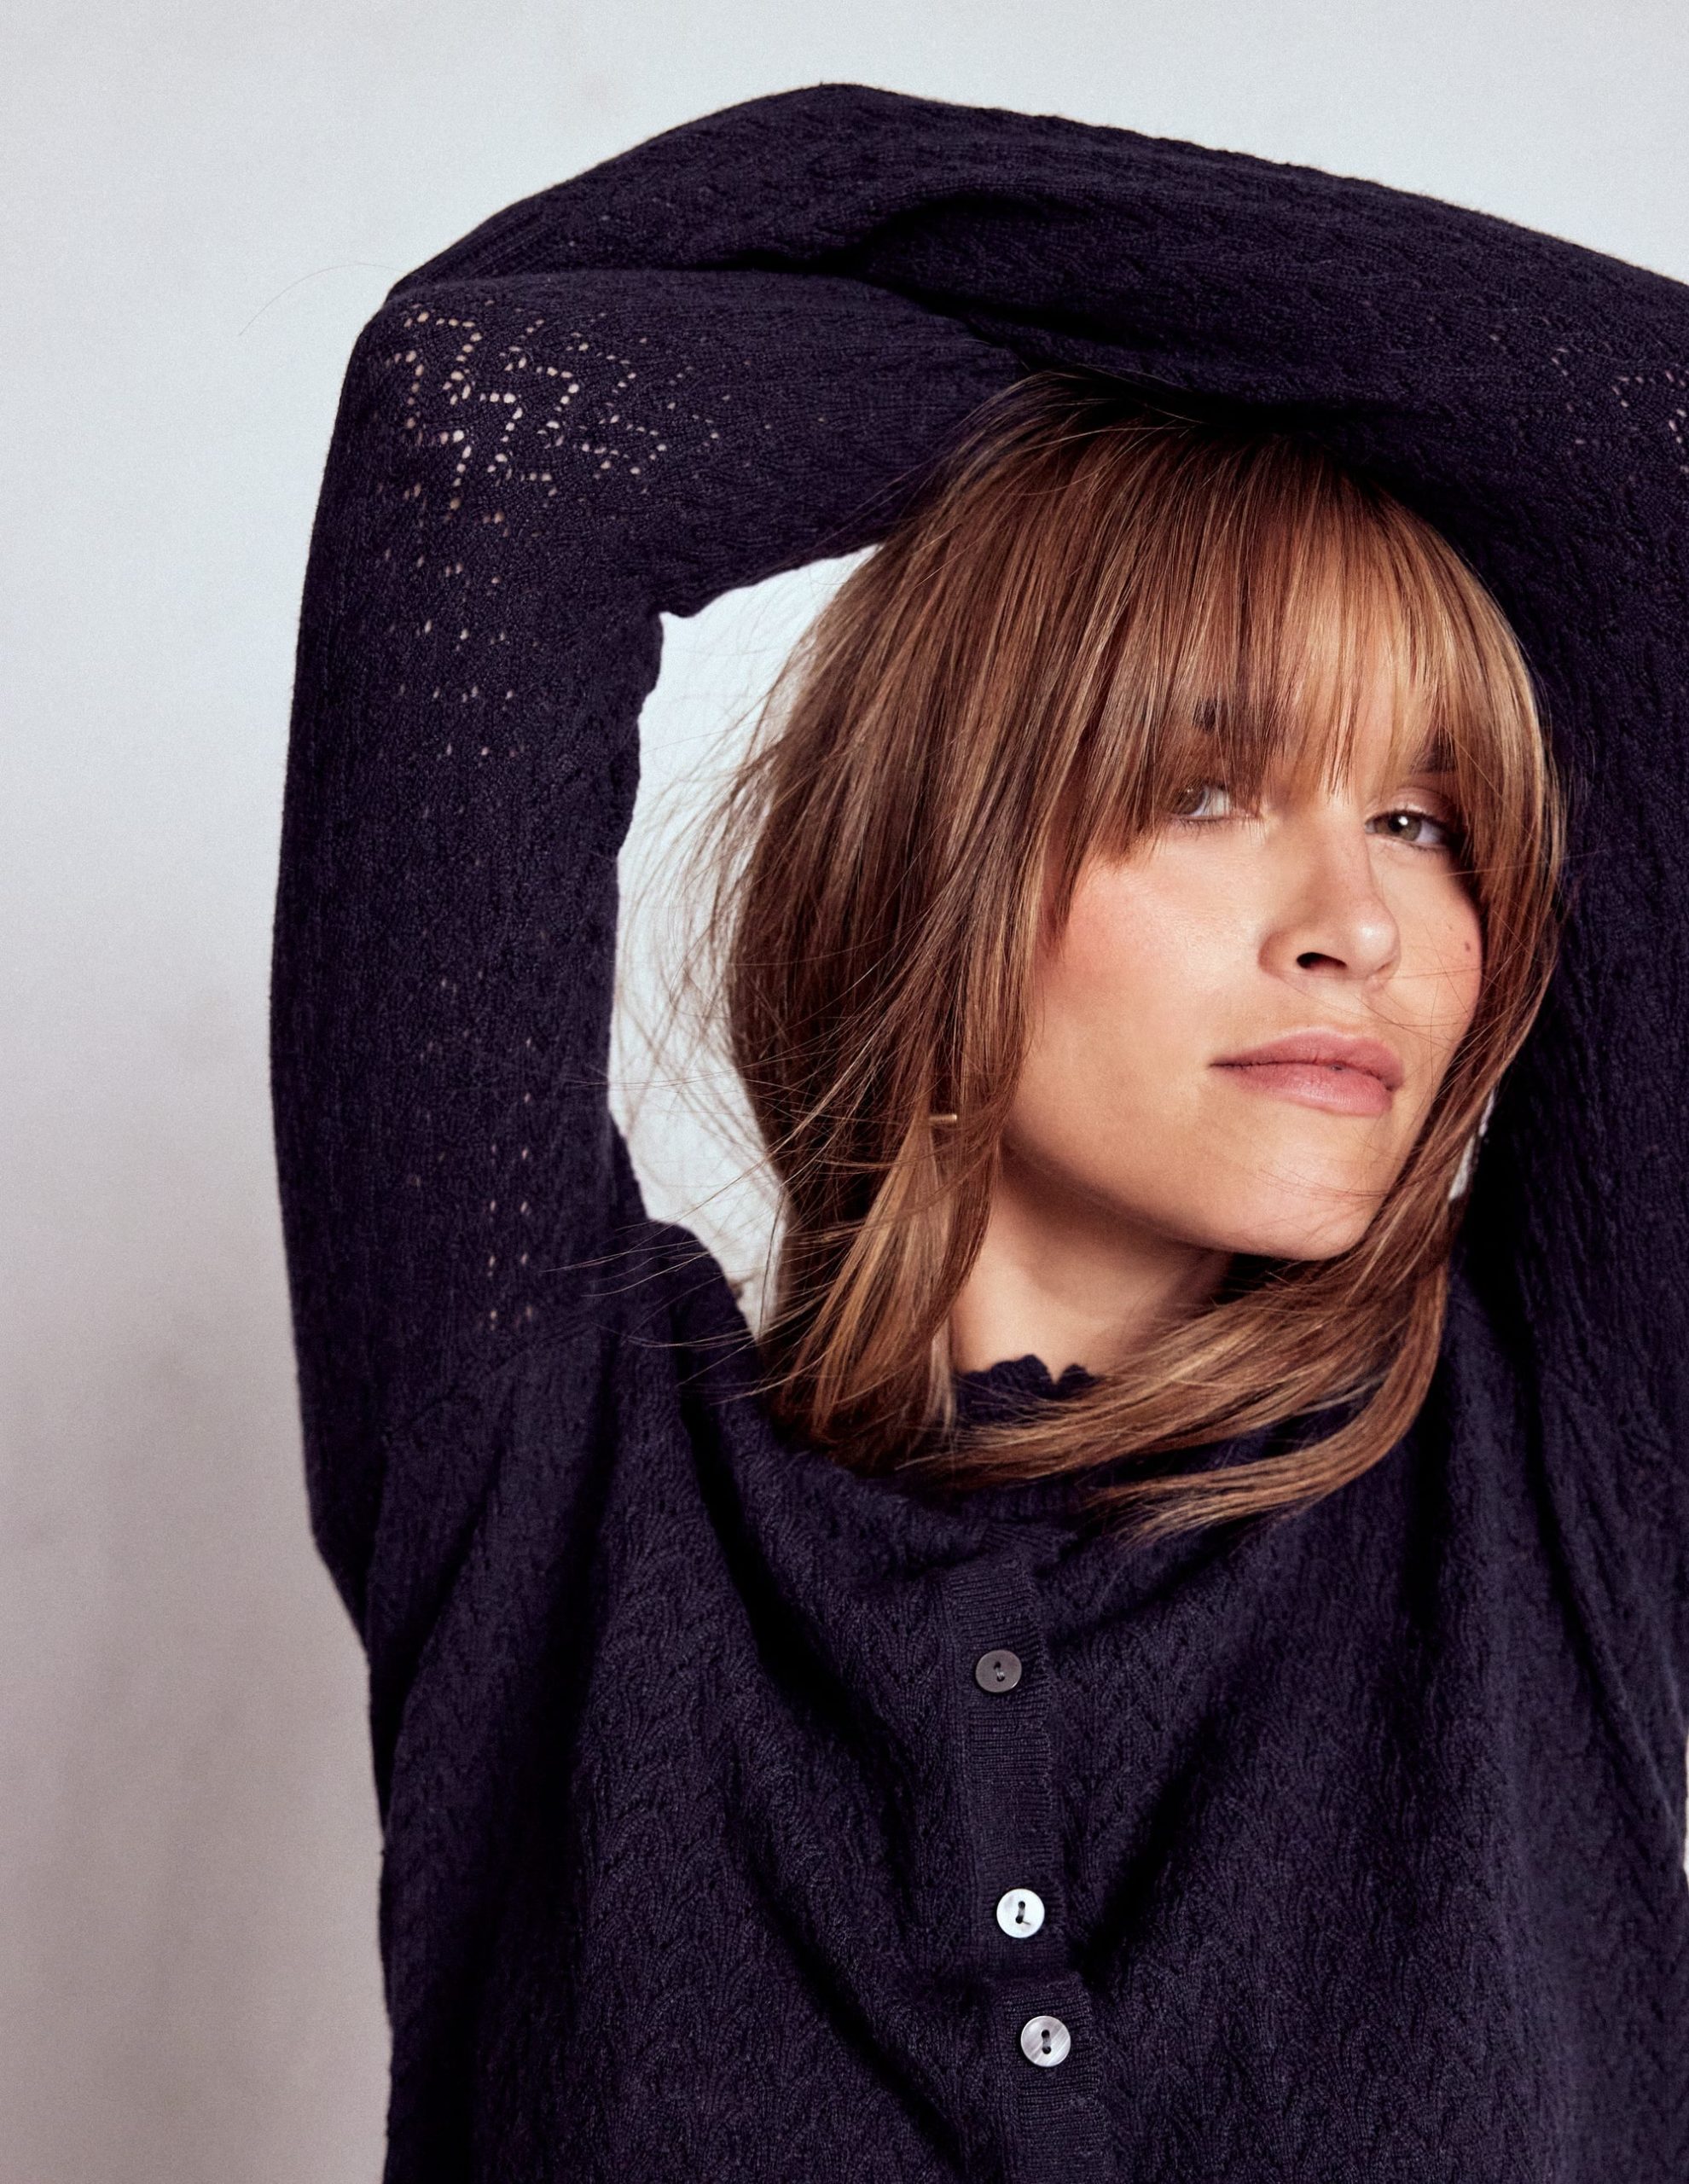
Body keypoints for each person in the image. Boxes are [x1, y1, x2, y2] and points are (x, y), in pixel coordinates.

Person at [271, 83, 1689, 2184]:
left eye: (1424, 817)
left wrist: (966, 269)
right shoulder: (559, 1477)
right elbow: (482, 431)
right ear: (936, 854)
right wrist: (1083, 406)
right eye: (1206, 790)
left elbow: (1653, 433)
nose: (1364, 924)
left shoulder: (1552, 1450)